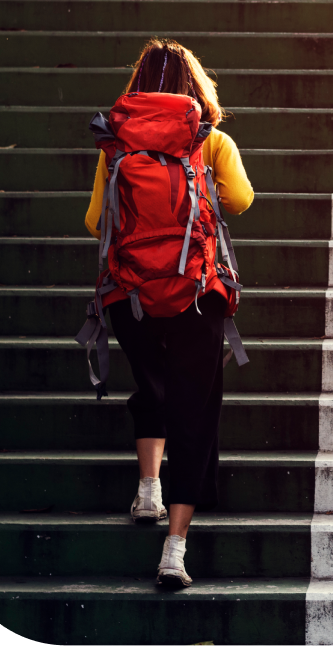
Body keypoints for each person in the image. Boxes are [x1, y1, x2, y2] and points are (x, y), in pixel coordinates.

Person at [84, 38, 254, 588]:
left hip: (128, 293)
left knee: (151, 386)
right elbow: (242, 200)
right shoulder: (211, 141)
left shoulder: (115, 147)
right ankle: (173, 550)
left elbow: (94, 222)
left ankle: (147, 491)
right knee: (193, 410)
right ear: (194, 88)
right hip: (195, 293)